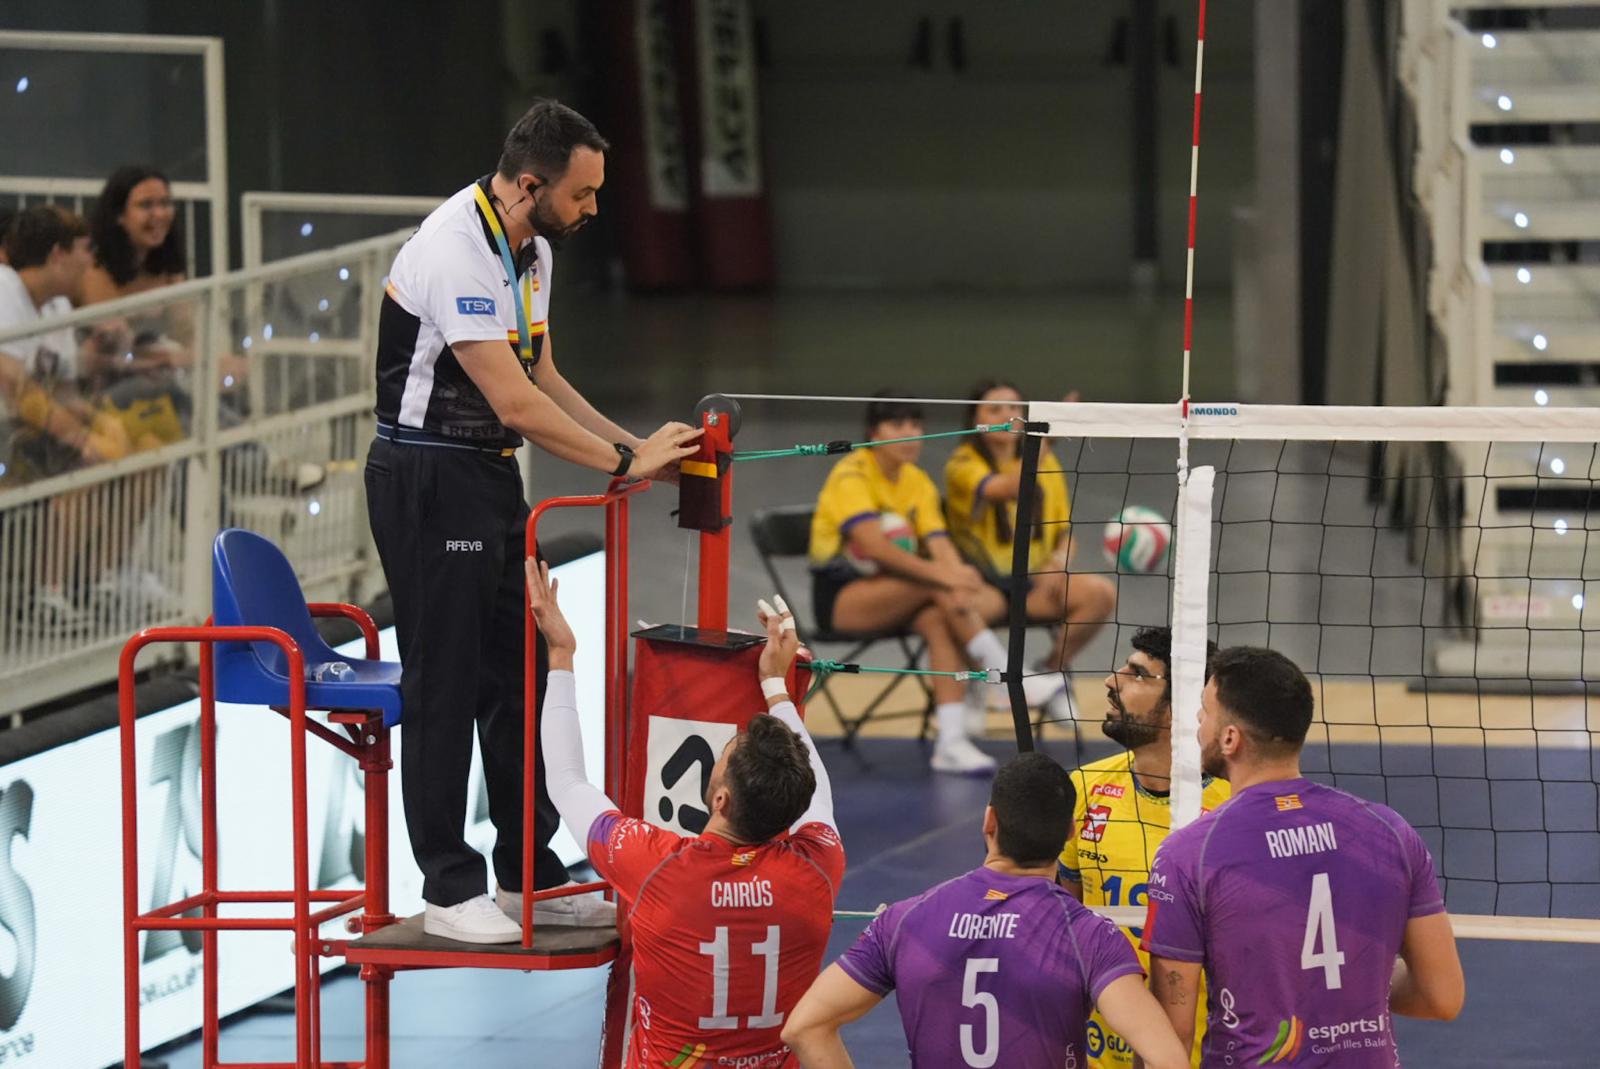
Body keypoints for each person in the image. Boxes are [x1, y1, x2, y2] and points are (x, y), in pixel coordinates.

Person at [363, 98, 702, 943]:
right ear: (528, 184)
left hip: (487, 476)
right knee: (444, 678)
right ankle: (447, 885)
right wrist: (625, 463)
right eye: (582, 195)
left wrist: (637, 446)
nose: (593, 211)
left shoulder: (533, 249)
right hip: (425, 475)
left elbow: (541, 372)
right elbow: (511, 399)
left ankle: (528, 875)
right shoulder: (454, 251)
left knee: (519, 673)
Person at [529, 561, 844, 1069]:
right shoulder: (817, 867)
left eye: (722, 755)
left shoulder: (657, 866)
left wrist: (560, 654)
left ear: (719, 799)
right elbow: (819, 796)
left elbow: (566, 780)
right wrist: (775, 686)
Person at [1140, 647, 1465, 1067]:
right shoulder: (1390, 832)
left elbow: (1171, 1039)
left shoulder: (1189, 855)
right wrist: (1357, 984)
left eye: (1205, 712)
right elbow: (1443, 997)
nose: (1198, 723)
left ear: (1230, 738)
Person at [782, 751, 1190, 1069]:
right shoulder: (1091, 937)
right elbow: (1168, 1059)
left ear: (989, 821)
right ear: (1069, 833)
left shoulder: (906, 919)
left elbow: (804, 1027)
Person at [808, 391, 1058, 775]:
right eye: (897, 425)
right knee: (939, 588)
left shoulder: (917, 481)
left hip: (900, 591)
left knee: (940, 616)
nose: (908, 435)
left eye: (915, 426)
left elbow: (938, 542)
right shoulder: (851, 474)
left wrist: (957, 575)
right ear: (874, 433)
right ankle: (1006, 676)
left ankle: (951, 742)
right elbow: (876, 548)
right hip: (842, 599)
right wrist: (947, 577)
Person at [1058, 626, 1228, 1069]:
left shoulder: (1232, 812)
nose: (1112, 681)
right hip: (1095, 1052)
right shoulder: (1085, 789)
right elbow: (1063, 921)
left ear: (1181, 707)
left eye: (1136, 674)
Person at [944, 379, 1115, 723]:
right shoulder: (962, 465)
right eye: (995, 409)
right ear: (975, 420)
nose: (1007, 416)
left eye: (1014, 409)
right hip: (987, 588)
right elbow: (1004, 488)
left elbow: (1065, 534)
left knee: (1100, 593)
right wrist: (1047, 439)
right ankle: (985, 679)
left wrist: (1057, 562)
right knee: (953, 605)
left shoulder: (1046, 466)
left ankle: (1049, 674)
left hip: (1034, 584)